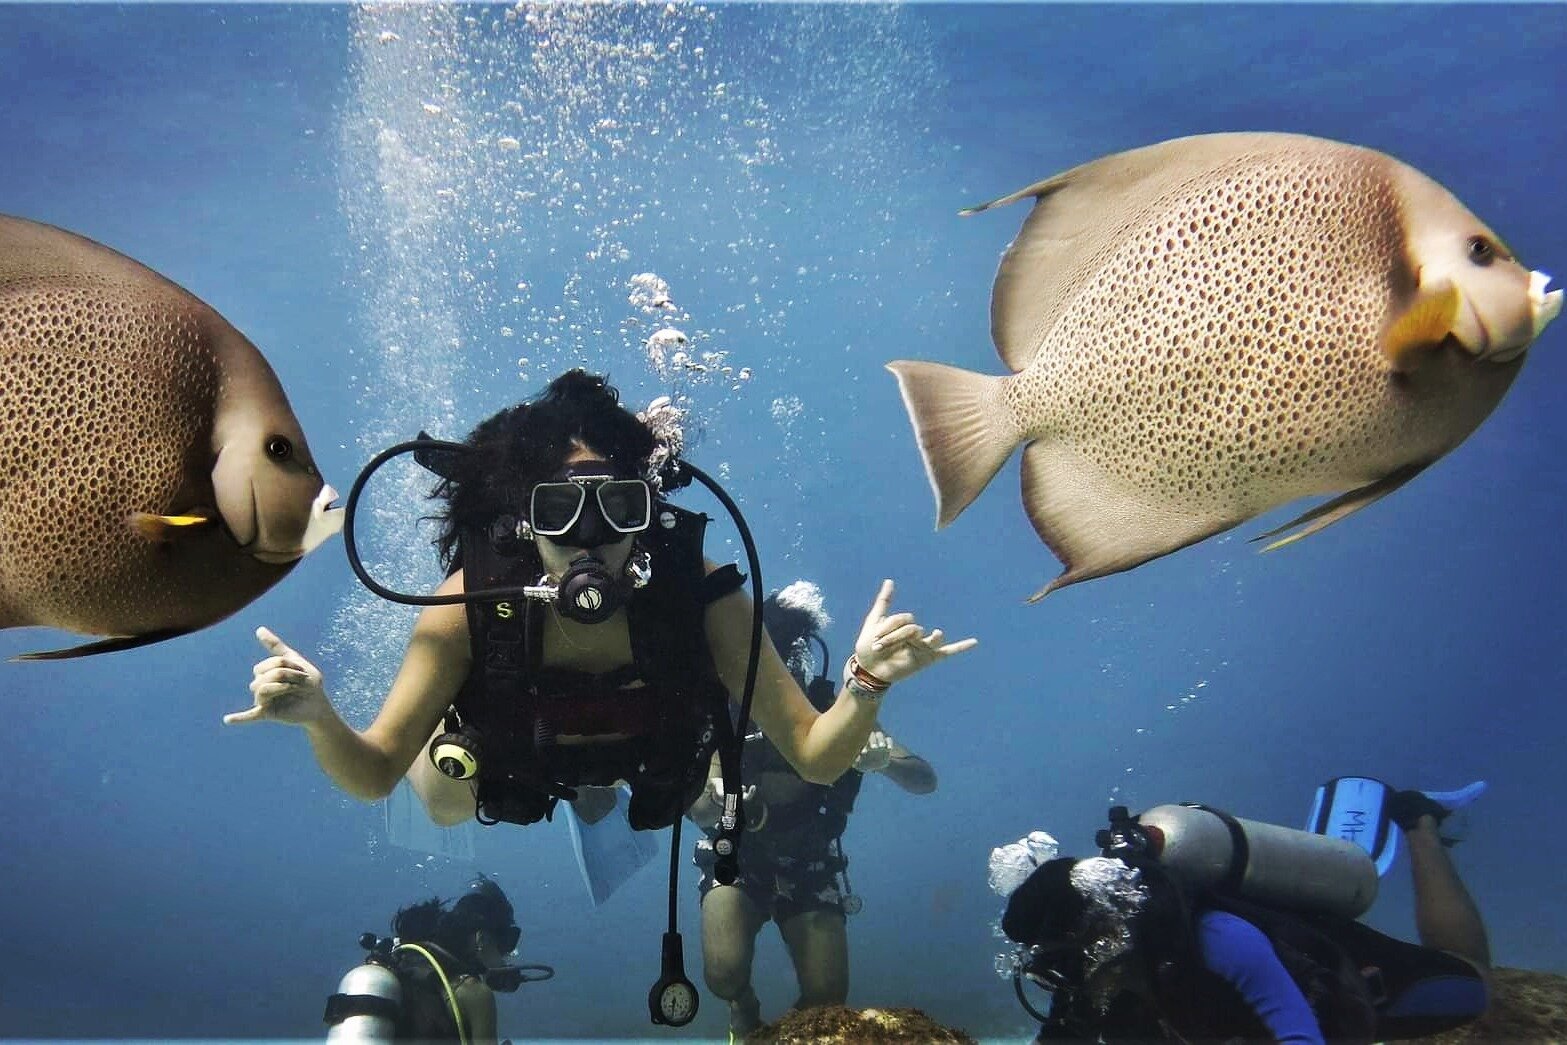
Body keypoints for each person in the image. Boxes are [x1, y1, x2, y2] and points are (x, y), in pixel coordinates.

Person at [227, 368, 973, 840]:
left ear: (646, 510)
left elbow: (814, 757)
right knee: (448, 800)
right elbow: (373, 773)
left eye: (617, 505)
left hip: (647, 756)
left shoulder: (702, 594)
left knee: (695, 789)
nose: (590, 537)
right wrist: (320, 717)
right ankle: (477, 760)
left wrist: (865, 683)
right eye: (559, 510)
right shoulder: (473, 601)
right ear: (524, 520)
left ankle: (636, 790)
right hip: (514, 760)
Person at [997, 787, 1491, 1044]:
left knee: (1474, 984)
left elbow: (1298, 1034)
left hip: (1358, 990)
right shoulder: (1090, 969)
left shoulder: (1212, 935)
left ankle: (1419, 822)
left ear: (1095, 923)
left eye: (1058, 955)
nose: (1061, 973)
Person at [687, 581, 939, 1037]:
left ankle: (783, 1036)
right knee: (722, 974)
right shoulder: (723, 716)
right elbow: (700, 809)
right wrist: (718, 799)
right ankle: (742, 1006)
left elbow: (924, 778)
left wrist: (884, 761)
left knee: (827, 996)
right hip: (737, 856)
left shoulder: (830, 706)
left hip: (810, 859)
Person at [325, 877, 549, 1044]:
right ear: (481, 938)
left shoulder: (400, 968)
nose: (507, 956)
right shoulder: (474, 993)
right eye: (505, 945)